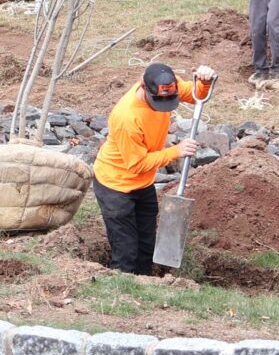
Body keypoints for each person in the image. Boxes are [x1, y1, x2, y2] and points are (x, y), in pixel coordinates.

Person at [92, 62, 216, 275]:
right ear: (144, 88)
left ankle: (147, 290)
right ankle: (119, 295)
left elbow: (196, 94)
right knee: (126, 251)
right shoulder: (127, 117)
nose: (165, 105)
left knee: (147, 246)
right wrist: (175, 152)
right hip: (116, 185)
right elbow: (137, 164)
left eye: (170, 99)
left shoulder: (167, 84)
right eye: (159, 101)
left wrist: (204, 81)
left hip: (144, 185)